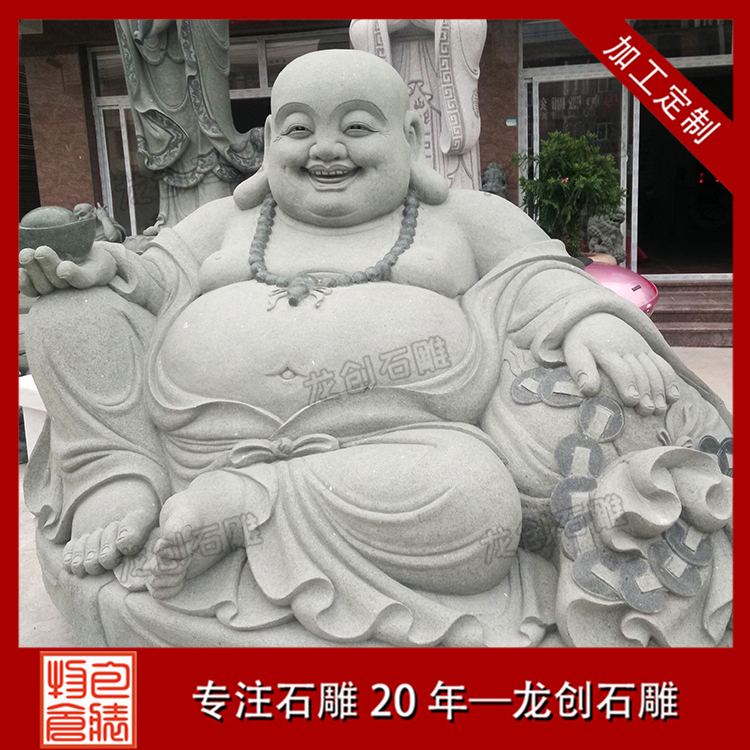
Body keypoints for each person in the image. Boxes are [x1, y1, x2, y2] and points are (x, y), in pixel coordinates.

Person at [20, 50, 731, 647]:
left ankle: (247, 505)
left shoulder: (464, 217)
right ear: (268, 145)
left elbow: (541, 272)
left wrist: (591, 319)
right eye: (299, 129)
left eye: (356, 127)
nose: (326, 149)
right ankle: (117, 477)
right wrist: (104, 270)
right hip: (195, 437)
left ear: (411, 137)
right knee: (70, 315)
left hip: (400, 453)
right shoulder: (225, 223)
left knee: (479, 501)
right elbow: (150, 275)